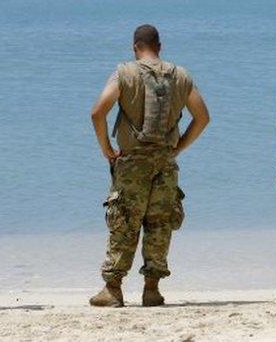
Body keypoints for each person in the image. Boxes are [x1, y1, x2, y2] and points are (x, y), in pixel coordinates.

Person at [89, 24, 210, 307]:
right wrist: (177, 149)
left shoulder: (125, 73)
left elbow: (98, 112)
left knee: (125, 223)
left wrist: (106, 148)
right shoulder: (180, 75)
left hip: (132, 163)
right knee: (159, 224)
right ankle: (152, 289)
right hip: (165, 163)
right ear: (160, 46)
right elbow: (202, 117)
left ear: (135, 47)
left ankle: (113, 289)